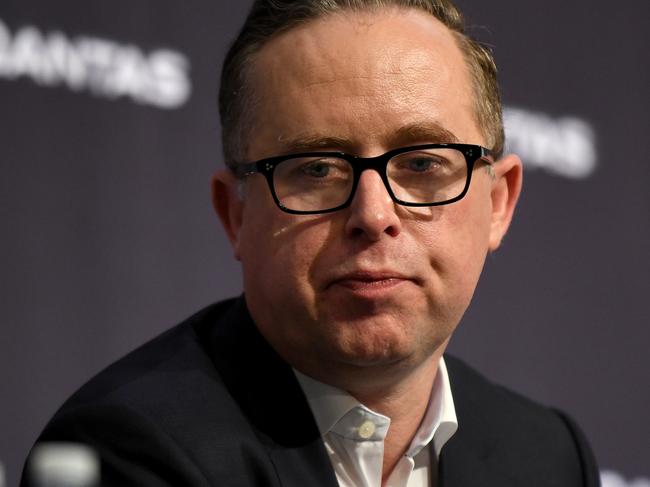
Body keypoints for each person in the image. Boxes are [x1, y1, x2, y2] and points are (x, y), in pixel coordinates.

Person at [23, 1, 600, 486]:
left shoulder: (548, 456)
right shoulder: (131, 452)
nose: (374, 216)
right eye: (317, 169)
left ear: (498, 204)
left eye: (423, 163)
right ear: (235, 215)